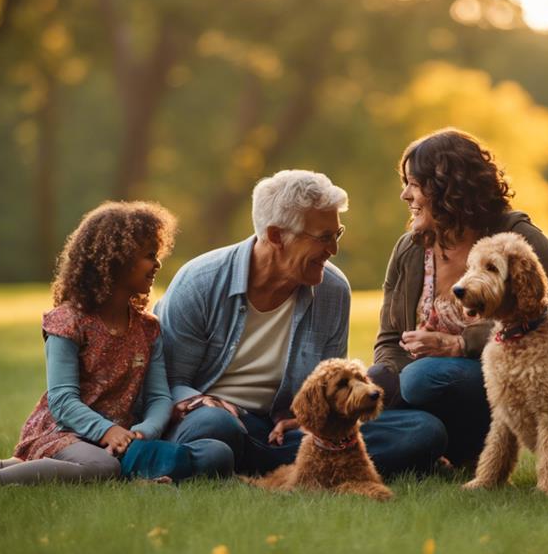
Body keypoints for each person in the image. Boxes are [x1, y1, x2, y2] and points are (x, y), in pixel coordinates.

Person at [0, 201, 233, 486]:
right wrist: (107, 431)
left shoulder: (148, 328)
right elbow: (62, 400)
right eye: (148, 255)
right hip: (65, 431)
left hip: (121, 436)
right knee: (104, 468)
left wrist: (144, 431)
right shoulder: (68, 321)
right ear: (116, 259)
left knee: (199, 455)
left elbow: (159, 395)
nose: (157, 264)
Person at [155, 170, 446, 476]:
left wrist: (307, 418)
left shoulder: (332, 290)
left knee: (422, 431)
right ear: (276, 236)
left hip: (290, 431)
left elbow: (329, 383)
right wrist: (203, 403)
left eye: (337, 234)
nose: (333, 250)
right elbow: (169, 382)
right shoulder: (200, 282)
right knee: (216, 427)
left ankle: (258, 464)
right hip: (217, 421)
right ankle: (295, 464)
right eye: (324, 238)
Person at [368, 128, 548, 466]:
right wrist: (383, 387)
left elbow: (547, 334)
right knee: (368, 384)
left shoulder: (521, 245)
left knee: (423, 377)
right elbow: (389, 341)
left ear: (449, 190)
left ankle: (447, 444)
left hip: (494, 392)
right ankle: (421, 443)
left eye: (414, 184)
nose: (404, 195)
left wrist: (458, 346)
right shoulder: (409, 249)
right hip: (418, 397)